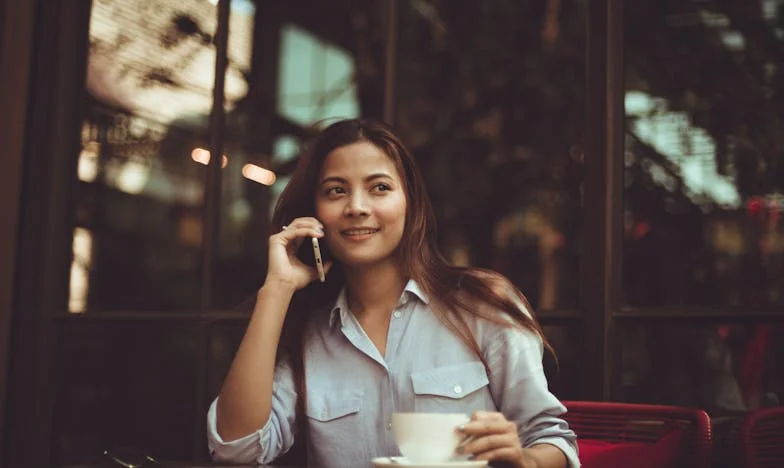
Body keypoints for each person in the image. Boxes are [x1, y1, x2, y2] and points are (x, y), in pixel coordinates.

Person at [207, 118, 579, 468]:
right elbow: (236, 448)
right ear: (316, 212)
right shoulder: (308, 334)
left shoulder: (481, 305)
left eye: (379, 188)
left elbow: (553, 438)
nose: (356, 207)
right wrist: (276, 289)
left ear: (409, 203)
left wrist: (525, 459)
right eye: (336, 191)